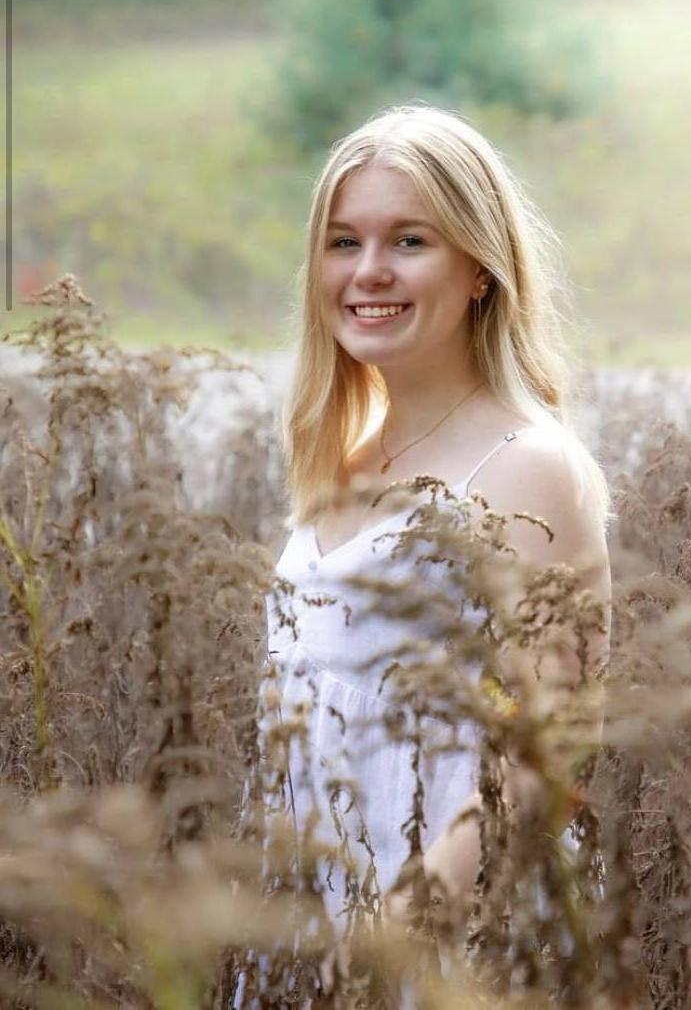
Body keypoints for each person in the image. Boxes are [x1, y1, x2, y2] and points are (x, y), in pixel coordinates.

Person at [252, 102, 611, 994]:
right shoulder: (342, 453)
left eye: (409, 240)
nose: (368, 271)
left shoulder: (525, 465)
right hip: (315, 917)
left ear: (480, 268)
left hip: (455, 940)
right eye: (344, 242)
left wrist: (399, 939)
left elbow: (550, 750)